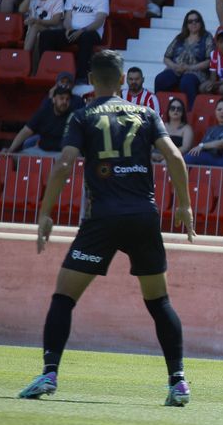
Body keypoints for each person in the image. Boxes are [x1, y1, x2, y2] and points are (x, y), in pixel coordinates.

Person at [20, 50, 196, 407]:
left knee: (63, 297)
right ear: (121, 80)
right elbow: (175, 157)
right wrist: (184, 205)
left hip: (102, 218)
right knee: (159, 301)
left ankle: (49, 373)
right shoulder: (146, 113)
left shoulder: (82, 116)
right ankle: (177, 381)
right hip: (143, 215)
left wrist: (45, 213)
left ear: (91, 79)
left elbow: (64, 165)